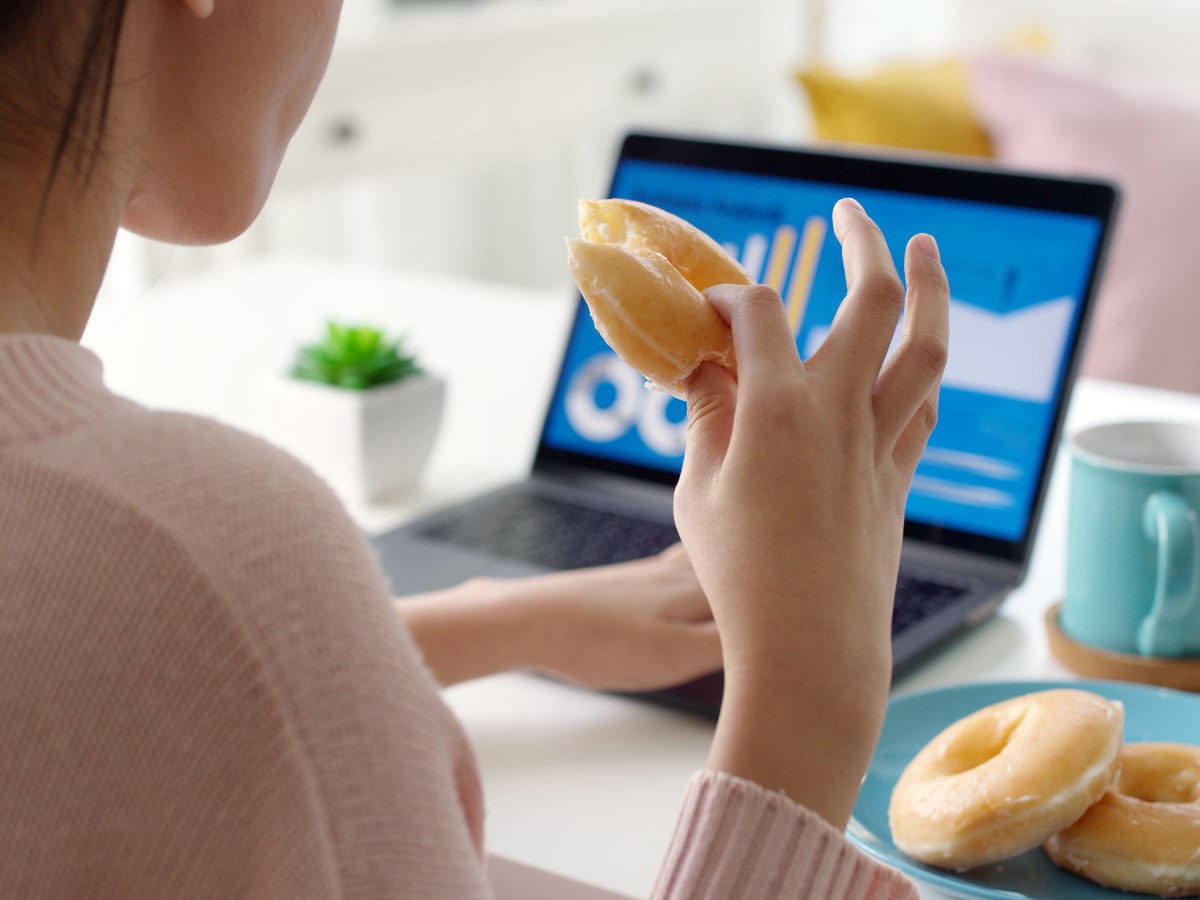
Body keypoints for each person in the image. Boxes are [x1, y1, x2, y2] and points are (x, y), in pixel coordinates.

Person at [0, 0, 949, 896]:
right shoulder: (217, 555)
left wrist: (489, 621)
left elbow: (86, 702)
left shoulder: (163, 576)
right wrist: (808, 690)